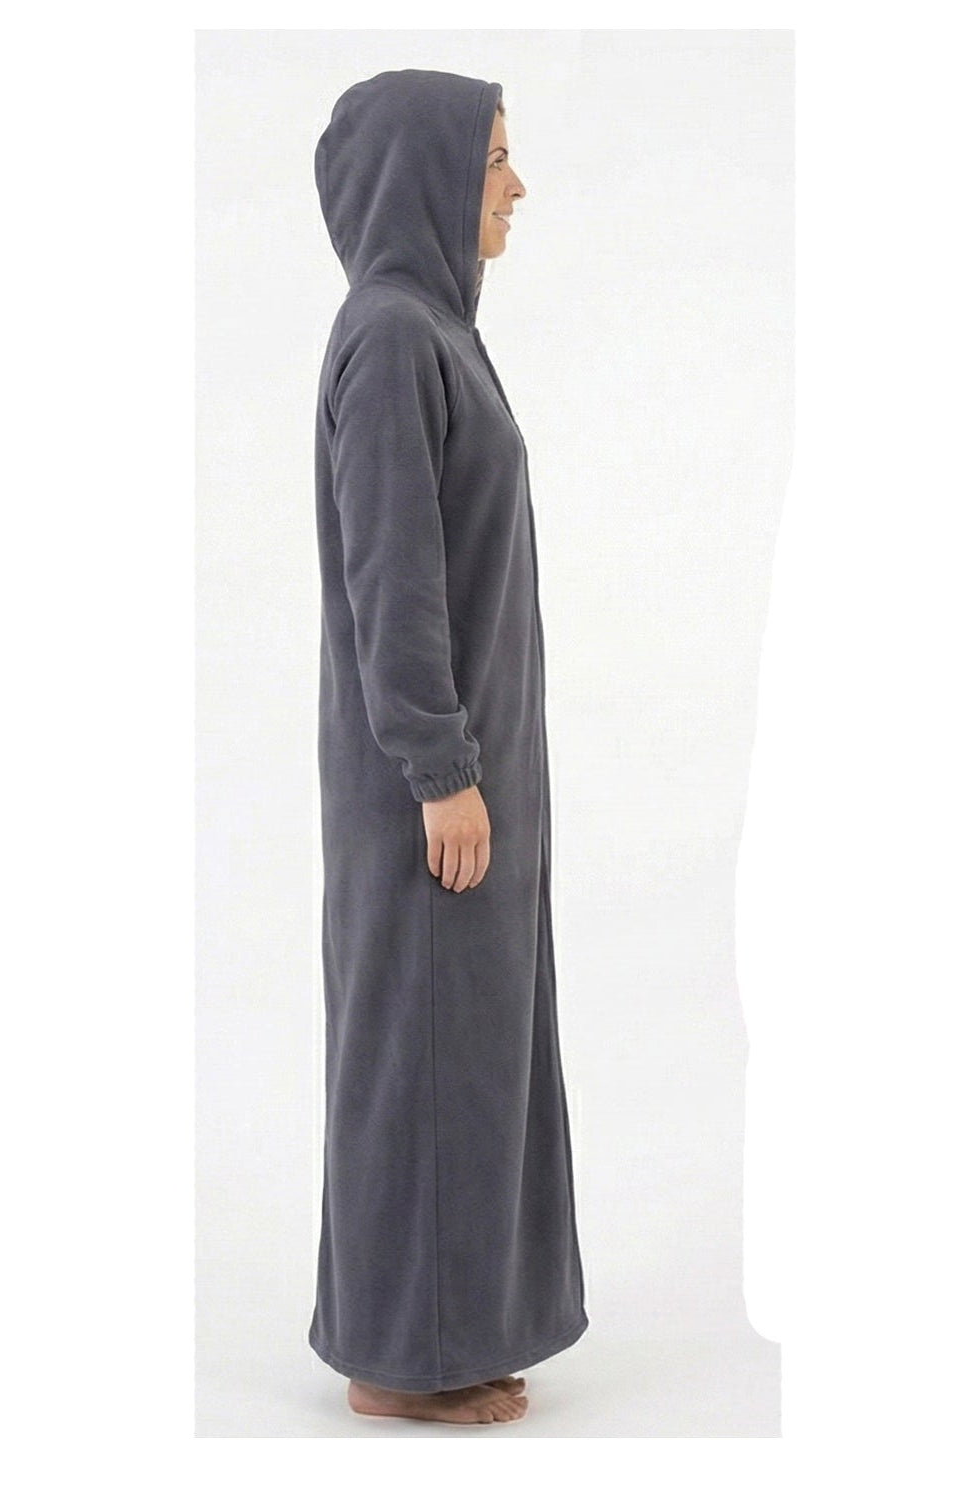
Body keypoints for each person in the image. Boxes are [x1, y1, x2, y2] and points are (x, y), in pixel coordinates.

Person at [310, 68, 588, 1426]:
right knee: (421, 1055)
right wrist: (441, 769)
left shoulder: (436, 333)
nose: (515, 187)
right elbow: (395, 581)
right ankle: (400, 1358)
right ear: (423, 174)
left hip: (476, 785)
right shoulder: (391, 338)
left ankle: (456, 1327)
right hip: (435, 795)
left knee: (468, 1056)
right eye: (491, 161)